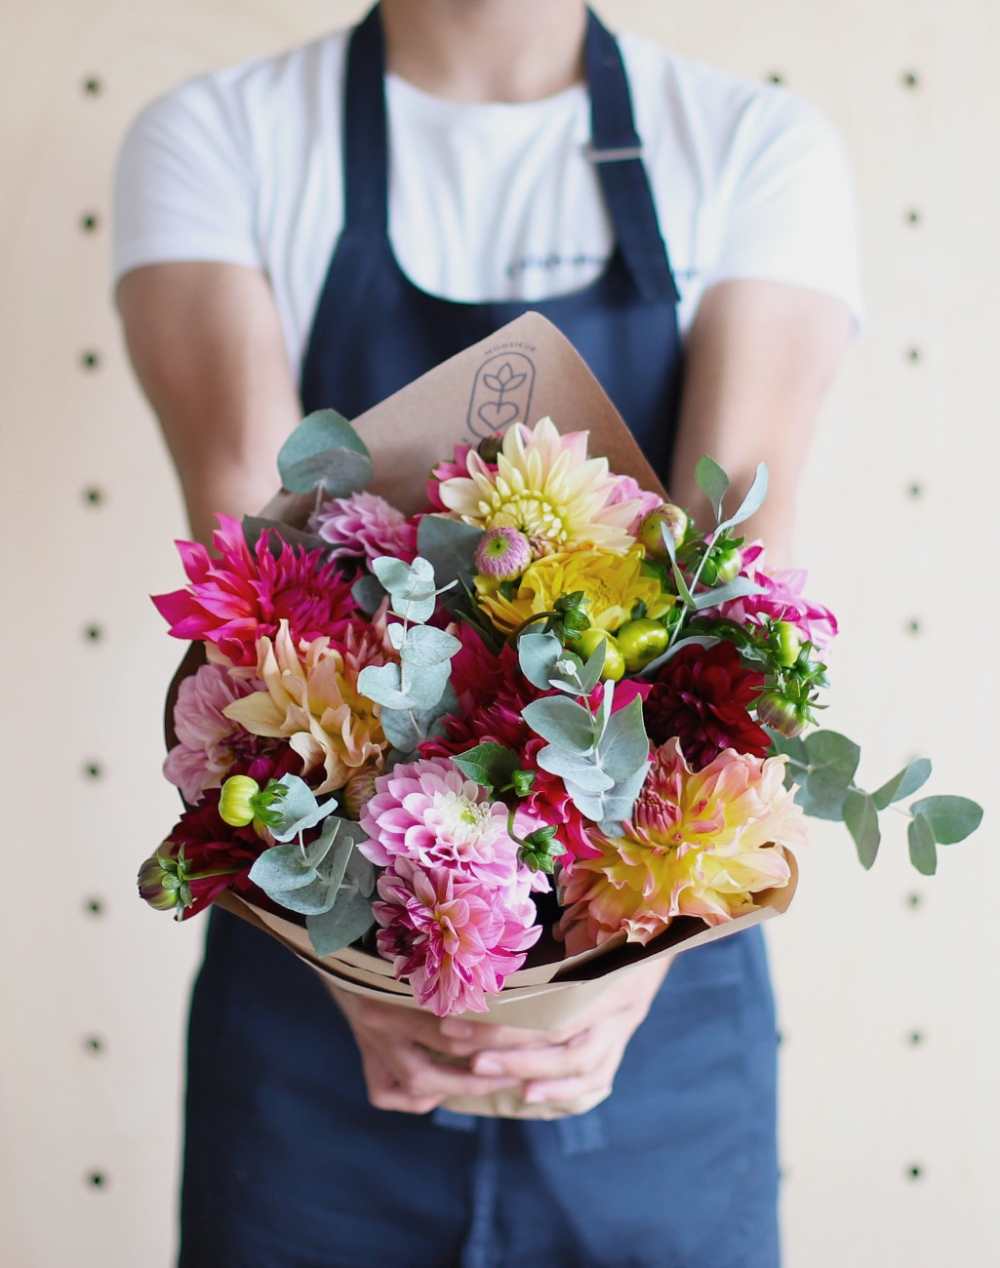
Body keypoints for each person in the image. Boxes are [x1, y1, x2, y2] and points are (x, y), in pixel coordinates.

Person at [115, 2, 861, 1264]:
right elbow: (257, 597)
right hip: (316, 1004)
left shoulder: (752, 144)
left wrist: (622, 970)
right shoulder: (219, 136)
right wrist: (361, 973)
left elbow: (731, 583)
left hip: (653, 1002)